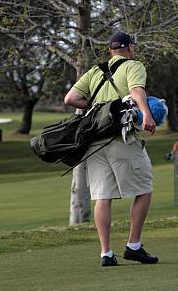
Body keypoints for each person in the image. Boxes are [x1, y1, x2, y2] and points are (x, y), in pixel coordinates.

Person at [63, 31, 159, 267]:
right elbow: (137, 91)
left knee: (103, 197)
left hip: (95, 143)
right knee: (144, 189)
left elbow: (70, 98)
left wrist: (97, 107)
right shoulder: (133, 65)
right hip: (121, 138)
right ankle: (133, 246)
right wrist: (146, 113)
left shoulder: (95, 71)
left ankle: (106, 253)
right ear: (129, 48)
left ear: (110, 50)